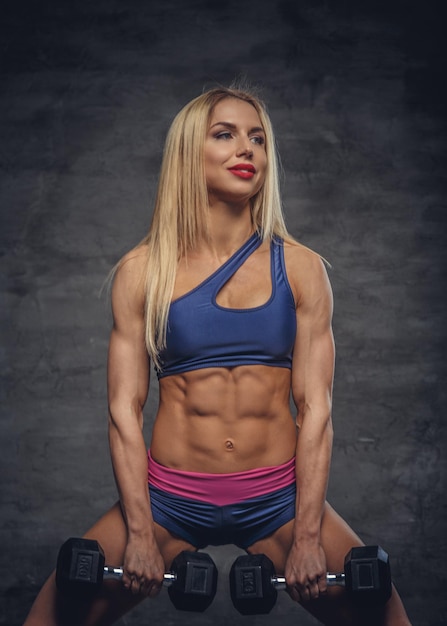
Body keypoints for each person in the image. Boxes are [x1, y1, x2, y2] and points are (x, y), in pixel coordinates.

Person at [23, 86, 412, 626]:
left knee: (384, 610)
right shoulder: (143, 271)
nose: (246, 149)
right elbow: (122, 411)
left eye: (257, 138)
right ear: (189, 152)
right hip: (170, 499)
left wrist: (305, 537)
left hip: (275, 498)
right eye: (224, 135)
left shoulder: (300, 269)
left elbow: (317, 411)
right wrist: (139, 534)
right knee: (53, 610)